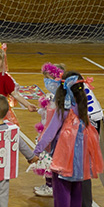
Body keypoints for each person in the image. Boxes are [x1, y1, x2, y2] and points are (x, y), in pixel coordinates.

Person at [33, 72, 104, 207]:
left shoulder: (64, 109)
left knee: (61, 187)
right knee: (76, 186)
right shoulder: (82, 106)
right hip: (81, 152)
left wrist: (37, 150)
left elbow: (50, 132)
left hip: (64, 152)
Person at [32, 62, 65, 197]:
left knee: (50, 160)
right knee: (45, 160)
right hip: (46, 131)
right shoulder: (50, 96)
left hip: (53, 135)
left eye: (49, 78)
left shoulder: (61, 98)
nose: (46, 81)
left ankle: (52, 187)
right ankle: (48, 185)